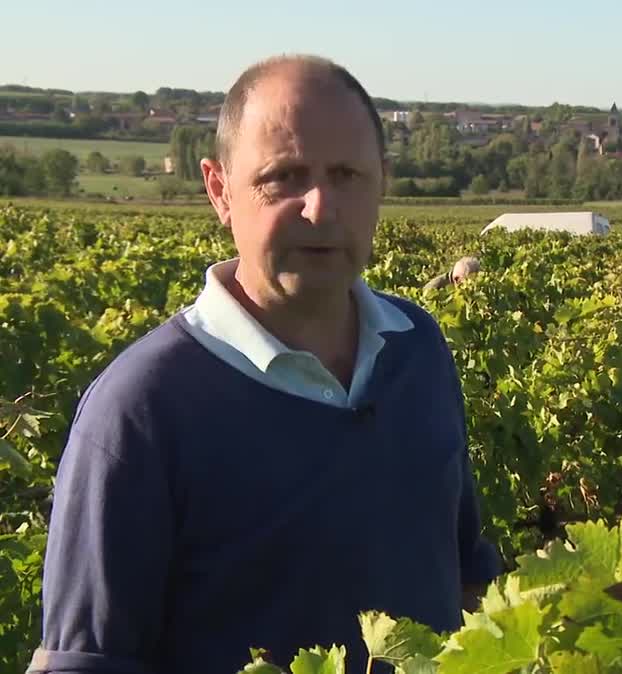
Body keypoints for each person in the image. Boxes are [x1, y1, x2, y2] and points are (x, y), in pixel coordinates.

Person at [29, 55, 501, 674]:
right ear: (220, 190)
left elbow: (465, 576)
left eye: (347, 175)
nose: (320, 207)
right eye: (284, 177)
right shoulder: (140, 412)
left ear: (382, 181)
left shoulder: (418, 348)